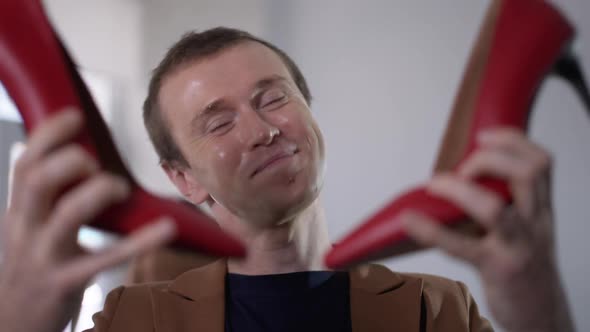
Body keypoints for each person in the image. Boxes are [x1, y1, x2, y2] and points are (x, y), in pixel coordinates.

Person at [0, 27, 575, 332]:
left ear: (310, 112)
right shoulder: (133, 320)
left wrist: (539, 312)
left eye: (273, 98)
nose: (262, 131)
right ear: (183, 178)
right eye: (219, 122)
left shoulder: (438, 310)